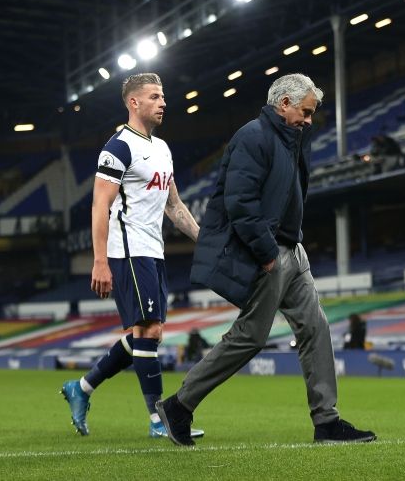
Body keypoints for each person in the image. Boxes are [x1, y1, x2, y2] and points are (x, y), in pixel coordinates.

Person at [156, 73, 376, 446]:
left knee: (315, 327)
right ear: (284, 103)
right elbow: (240, 202)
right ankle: (180, 404)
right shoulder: (253, 136)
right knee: (250, 337)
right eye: (305, 112)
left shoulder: (294, 139)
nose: (309, 120)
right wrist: (266, 253)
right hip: (269, 253)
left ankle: (327, 422)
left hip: (294, 249)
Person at [60, 73, 203, 440]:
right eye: (155, 96)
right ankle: (159, 420)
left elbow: (174, 206)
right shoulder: (118, 147)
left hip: (153, 250)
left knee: (145, 336)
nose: (163, 102)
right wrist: (99, 260)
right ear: (133, 103)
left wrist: (203, 239)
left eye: (163, 96)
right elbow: (99, 205)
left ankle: (83, 387)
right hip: (127, 249)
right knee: (149, 331)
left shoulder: (163, 149)